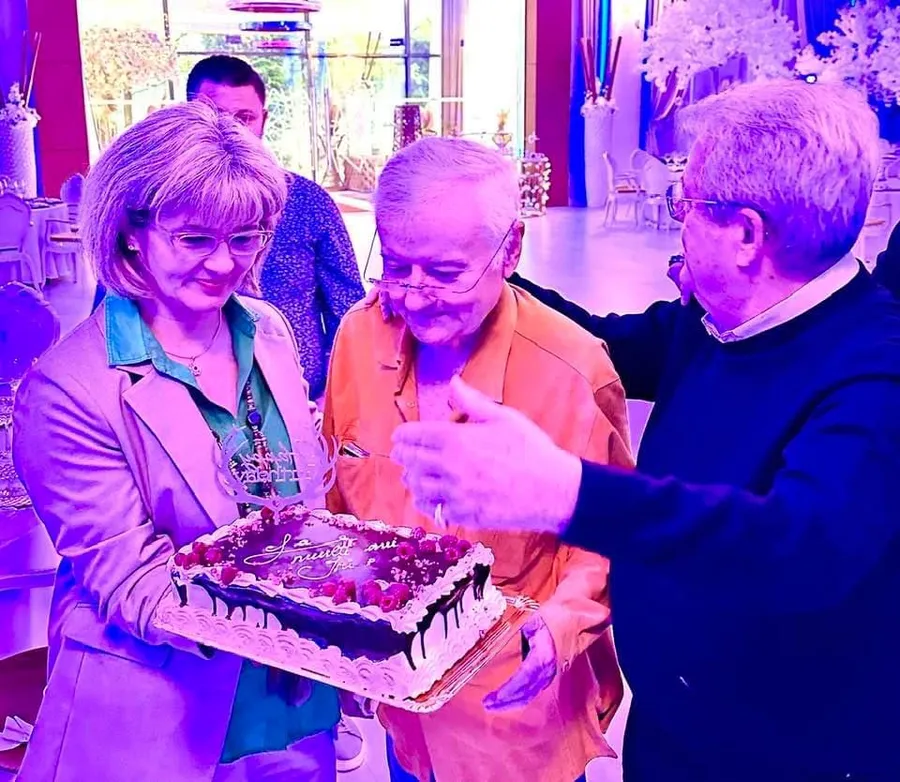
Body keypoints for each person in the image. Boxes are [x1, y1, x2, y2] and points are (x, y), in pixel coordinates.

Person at [389, 80, 900, 781]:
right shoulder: (717, 318)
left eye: (686, 204)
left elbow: (799, 546)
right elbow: (604, 343)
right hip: (671, 731)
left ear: (747, 235)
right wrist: (468, 271)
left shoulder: (875, 370)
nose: (676, 224)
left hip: (786, 754)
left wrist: (569, 494)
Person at [12, 101, 339, 782]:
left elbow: (297, 505)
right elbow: (133, 583)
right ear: (130, 231)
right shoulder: (68, 389)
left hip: (293, 706)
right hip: (163, 713)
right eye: (194, 239)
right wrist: (308, 627)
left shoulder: (268, 329)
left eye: (245, 238)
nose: (224, 263)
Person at [323, 137, 630, 782]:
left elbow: (607, 536)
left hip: (513, 720)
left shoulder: (572, 367)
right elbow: (340, 498)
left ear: (510, 250)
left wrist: (561, 623)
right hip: (402, 710)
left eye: (444, 273)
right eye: (397, 266)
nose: (414, 296)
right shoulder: (357, 336)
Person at [187, 55, 365, 403]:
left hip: (301, 397)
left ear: (263, 120)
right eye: (216, 115)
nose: (232, 130)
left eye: (245, 117)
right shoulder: (159, 207)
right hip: (195, 398)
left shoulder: (306, 201)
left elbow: (348, 309)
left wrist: (336, 397)